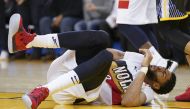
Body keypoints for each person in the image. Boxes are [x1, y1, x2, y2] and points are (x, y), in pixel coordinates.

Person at [8, 14, 177, 109]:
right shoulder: (140, 60)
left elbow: (128, 101)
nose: (161, 68)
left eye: (163, 73)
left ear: (157, 85)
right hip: (67, 67)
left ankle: (42, 91)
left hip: (70, 92)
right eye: (164, 68)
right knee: (102, 37)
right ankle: (28, 41)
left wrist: (144, 69)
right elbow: (113, 53)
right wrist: (141, 62)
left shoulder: (148, 92)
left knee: (104, 58)